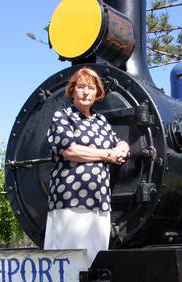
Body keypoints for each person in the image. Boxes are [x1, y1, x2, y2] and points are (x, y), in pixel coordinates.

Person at [44, 67, 129, 266]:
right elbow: (70, 151)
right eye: (81, 87)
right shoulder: (63, 116)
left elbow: (119, 142)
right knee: (69, 263)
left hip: (99, 201)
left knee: (94, 261)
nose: (86, 92)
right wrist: (108, 154)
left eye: (91, 88)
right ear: (72, 91)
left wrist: (122, 148)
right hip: (71, 199)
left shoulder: (101, 121)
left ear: (97, 93)